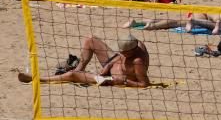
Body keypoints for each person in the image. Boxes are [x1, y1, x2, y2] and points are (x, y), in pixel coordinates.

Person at [18, 36, 149, 87]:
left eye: (123, 52)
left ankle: (38, 79)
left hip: (112, 78)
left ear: (130, 51)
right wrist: (109, 64)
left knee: (71, 76)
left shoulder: (138, 62)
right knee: (91, 40)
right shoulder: (135, 45)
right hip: (112, 64)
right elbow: (122, 55)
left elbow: (144, 84)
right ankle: (79, 69)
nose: (121, 52)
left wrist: (124, 81)